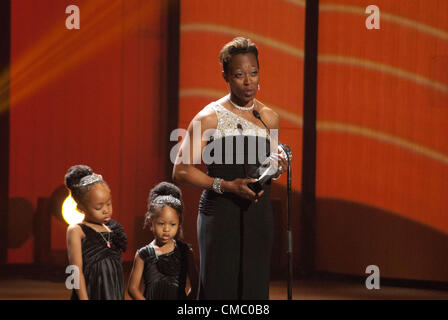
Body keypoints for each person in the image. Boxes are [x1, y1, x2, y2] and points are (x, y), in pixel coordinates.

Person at [172, 37, 289, 299]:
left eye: (254, 73)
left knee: (254, 289)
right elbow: (180, 170)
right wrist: (226, 186)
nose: (248, 81)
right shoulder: (209, 117)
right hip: (220, 215)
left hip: (259, 217)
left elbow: (267, 165)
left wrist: (278, 167)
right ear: (225, 75)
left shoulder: (269, 117)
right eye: (239, 75)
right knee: (220, 288)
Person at [65, 165, 127, 300]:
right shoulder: (77, 230)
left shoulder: (112, 228)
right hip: (92, 292)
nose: (106, 210)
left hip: (113, 292)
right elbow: (76, 271)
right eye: (99, 207)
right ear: (81, 207)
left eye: (109, 204)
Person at [127, 182, 198, 300]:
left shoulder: (186, 252)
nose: (166, 229)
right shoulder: (143, 254)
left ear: (179, 223)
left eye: (172, 224)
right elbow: (132, 288)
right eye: (161, 223)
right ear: (151, 221)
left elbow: (196, 285)